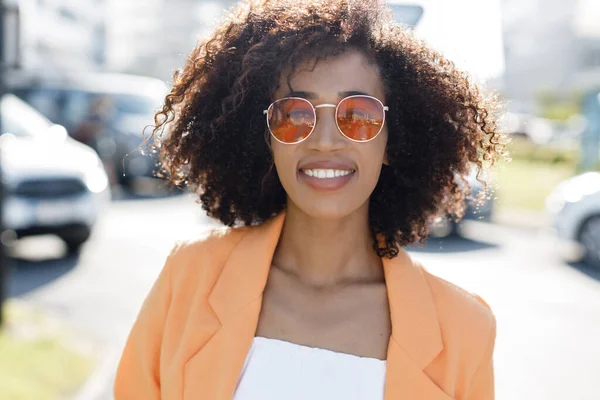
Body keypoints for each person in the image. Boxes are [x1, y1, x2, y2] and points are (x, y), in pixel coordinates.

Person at [114, 0, 506, 398]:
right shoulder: (189, 277)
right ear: (266, 137)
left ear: (393, 140)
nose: (323, 141)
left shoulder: (464, 328)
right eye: (295, 115)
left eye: (358, 114)